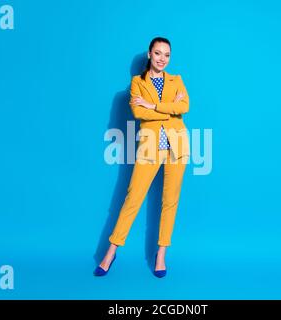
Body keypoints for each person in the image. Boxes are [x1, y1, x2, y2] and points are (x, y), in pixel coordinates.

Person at [94, 36, 190, 278]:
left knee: (170, 201)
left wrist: (153, 106)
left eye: (167, 55)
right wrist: (167, 108)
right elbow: (139, 113)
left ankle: (161, 255)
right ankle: (110, 251)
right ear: (149, 54)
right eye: (158, 53)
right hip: (149, 148)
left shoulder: (176, 80)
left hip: (176, 147)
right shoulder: (137, 83)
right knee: (133, 197)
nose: (162, 59)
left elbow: (184, 107)